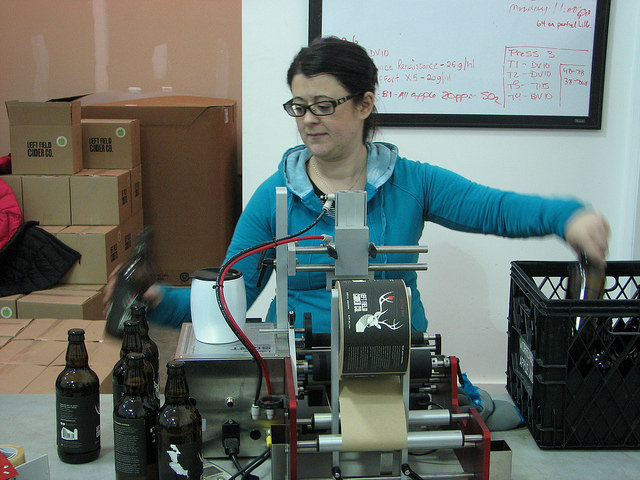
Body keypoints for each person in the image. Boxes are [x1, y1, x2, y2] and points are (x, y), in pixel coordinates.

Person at [104, 36, 610, 334]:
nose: (308, 120)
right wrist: (156, 301)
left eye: (324, 105)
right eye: (299, 107)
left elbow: (494, 209)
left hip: (397, 359)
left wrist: (569, 216)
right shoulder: (274, 197)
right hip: (299, 367)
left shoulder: (413, 183)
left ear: (365, 104)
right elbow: (232, 296)